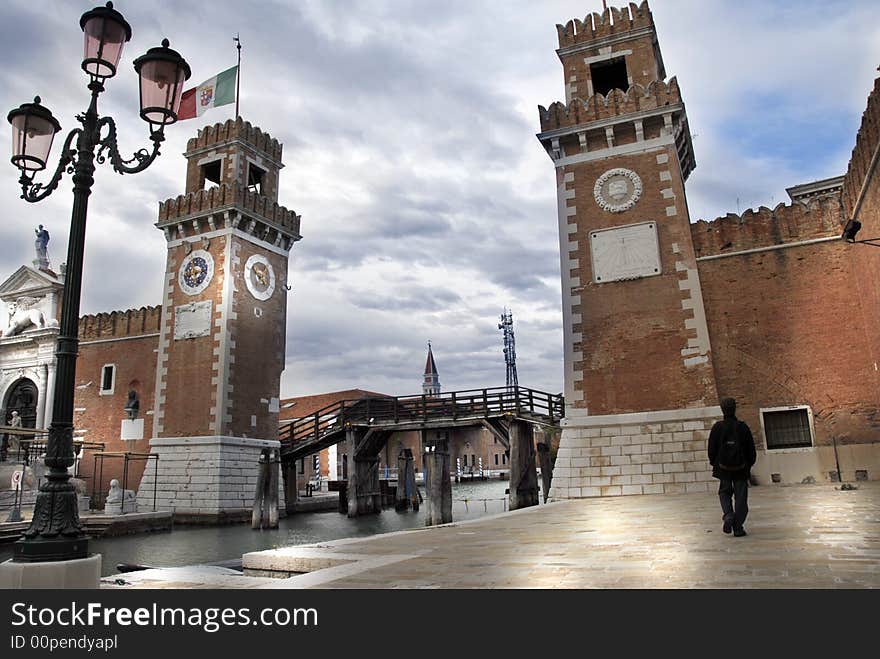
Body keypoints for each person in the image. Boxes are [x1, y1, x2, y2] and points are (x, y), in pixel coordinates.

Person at [707, 397, 757, 537]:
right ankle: (738, 526)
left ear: (722, 409)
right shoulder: (742, 427)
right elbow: (751, 450)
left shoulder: (717, 427)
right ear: (735, 408)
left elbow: (711, 449)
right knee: (741, 498)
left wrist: (715, 464)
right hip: (741, 469)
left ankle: (728, 514)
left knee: (724, 492)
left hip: (723, 469)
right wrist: (748, 465)